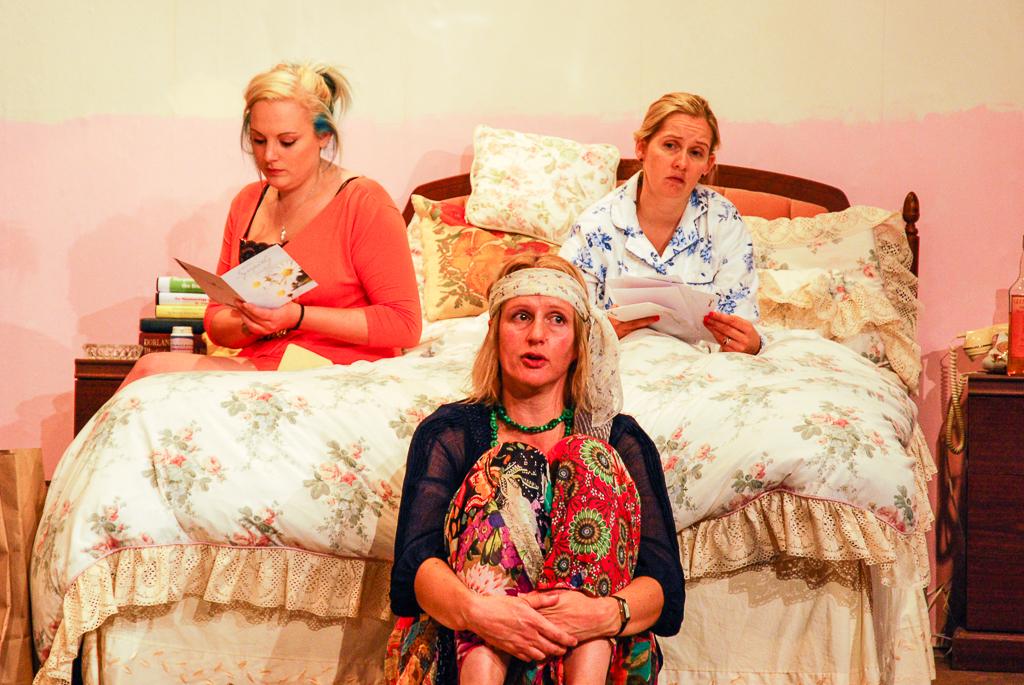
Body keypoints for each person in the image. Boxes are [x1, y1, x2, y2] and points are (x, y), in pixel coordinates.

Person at [388, 254, 683, 684]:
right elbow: (413, 567)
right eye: (521, 316)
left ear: (579, 343)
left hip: (594, 655)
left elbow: (664, 586)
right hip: (471, 646)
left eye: (557, 320)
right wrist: (482, 614)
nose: (537, 335)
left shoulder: (621, 438)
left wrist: (599, 614)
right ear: (495, 332)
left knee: (589, 457)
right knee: (510, 464)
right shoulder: (449, 431)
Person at [122, 62, 421, 386]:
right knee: (150, 369)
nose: (270, 156)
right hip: (263, 366)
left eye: (287, 141)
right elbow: (216, 321)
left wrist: (298, 317)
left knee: (152, 374)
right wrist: (252, 322)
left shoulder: (363, 201)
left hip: (335, 372)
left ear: (323, 135)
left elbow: (404, 324)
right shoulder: (247, 203)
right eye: (259, 140)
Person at [558, 92, 761, 354]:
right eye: (670, 146)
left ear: (708, 164)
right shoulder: (595, 225)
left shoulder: (724, 222)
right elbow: (563, 324)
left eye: (696, 152)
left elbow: (742, 323)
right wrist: (601, 333)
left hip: (703, 370)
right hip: (621, 366)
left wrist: (751, 343)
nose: (681, 163)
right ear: (641, 147)